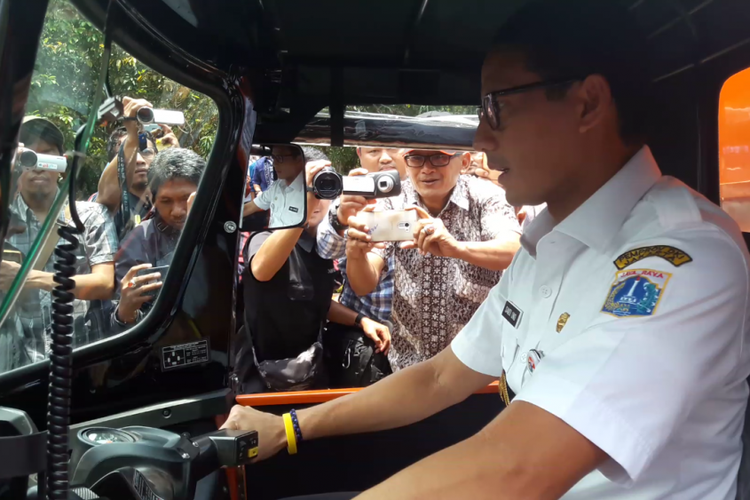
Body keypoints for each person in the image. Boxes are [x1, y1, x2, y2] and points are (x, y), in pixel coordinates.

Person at [222, 1, 750, 498]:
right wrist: (288, 427)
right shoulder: (548, 242)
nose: (479, 139)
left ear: (587, 103)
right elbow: (439, 376)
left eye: (495, 108)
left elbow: (516, 467)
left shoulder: (683, 256)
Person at [345, 149, 521, 370]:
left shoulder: (485, 197)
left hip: (479, 365)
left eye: (439, 158)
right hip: (410, 363)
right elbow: (364, 284)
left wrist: (456, 248)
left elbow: (514, 250)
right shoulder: (394, 203)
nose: (427, 169)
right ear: (406, 163)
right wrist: (355, 255)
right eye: (416, 158)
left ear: (464, 162)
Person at [239, 153, 391, 392]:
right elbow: (261, 270)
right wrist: (304, 206)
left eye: (324, 190)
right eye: (303, 192)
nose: (314, 200)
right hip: (264, 378)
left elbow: (317, 302)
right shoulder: (264, 239)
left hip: (310, 374)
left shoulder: (321, 249)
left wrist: (361, 320)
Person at [2, 116, 118, 364]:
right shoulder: (5, 222)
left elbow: (104, 283)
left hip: (84, 358)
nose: (37, 165)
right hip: (17, 367)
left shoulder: (90, 215)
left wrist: (27, 278)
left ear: (62, 164)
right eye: (27, 157)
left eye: (45, 155)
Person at [113, 147, 204, 328]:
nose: (178, 211)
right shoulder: (138, 242)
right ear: (153, 200)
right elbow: (118, 325)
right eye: (166, 201)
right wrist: (125, 312)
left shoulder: (228, 225)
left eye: (186, 198)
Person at [96, 97, 178, 241]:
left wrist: (176, 158)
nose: (139, 160)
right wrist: (132, 135)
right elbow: (106, 196)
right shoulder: (111, 204)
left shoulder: (173, 201)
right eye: (132, 154)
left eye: (146, 152)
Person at [242, 146, 323, 227]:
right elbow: (250, 207)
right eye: (273, 158)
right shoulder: (277, 186)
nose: (274, 164)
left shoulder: (313, 191)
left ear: (299, 159)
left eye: (279, 158)